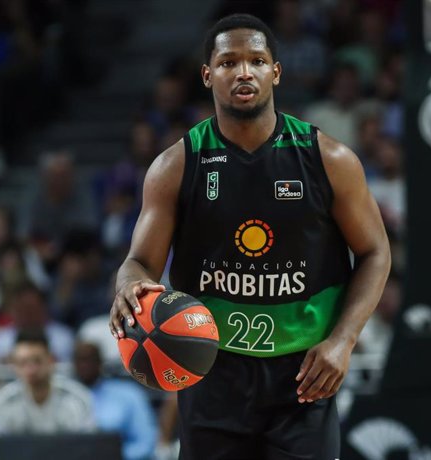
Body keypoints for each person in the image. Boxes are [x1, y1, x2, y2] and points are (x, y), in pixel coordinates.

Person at [108, 14, 390, 459]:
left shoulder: (329, 158)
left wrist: (343, 340)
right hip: (209, 369)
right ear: (207, 75)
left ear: (275, 72)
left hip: (305, 376)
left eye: (257, 60)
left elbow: (376, 252)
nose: (243, 72)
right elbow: (139, 261)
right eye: (228, 62)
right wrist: (127, 284)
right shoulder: (175, 166)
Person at [0, 329, 95, 436]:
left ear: (51, 360)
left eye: (37, 361)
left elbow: (88, 446)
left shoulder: (77, 398)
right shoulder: (2, 402)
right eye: (22, 362)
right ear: (14, 365)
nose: (30, 369)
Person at [73, 341, 158, 460]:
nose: (84, 365)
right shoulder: (64, 396)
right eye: (80, 360)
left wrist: (112, 455)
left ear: (100, 362)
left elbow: (145, 442)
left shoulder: (129, 394)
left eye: (89, 360)